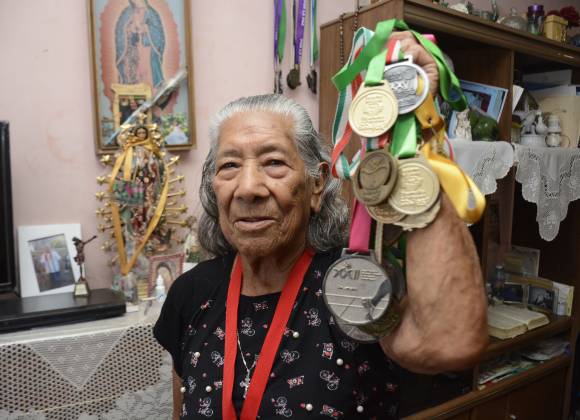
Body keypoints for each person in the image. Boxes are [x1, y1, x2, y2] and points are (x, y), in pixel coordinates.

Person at [154, 32, 487, 419]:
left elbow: (452, 343)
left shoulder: (357, 285)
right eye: (229, 166)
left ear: (317, 184)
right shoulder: (191, 293)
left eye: (273, 162)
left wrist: (415, 121)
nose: (247, 188)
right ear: (213, 186)